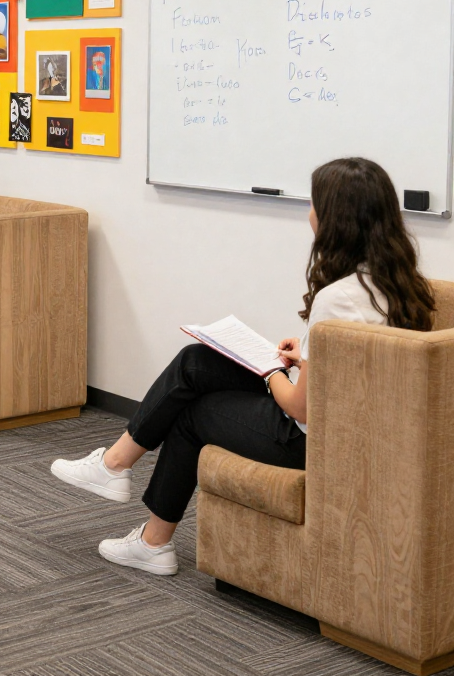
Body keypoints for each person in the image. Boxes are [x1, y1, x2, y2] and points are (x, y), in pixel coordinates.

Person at [50, 157, 435, 575]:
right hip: (359, 428)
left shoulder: (336, 299)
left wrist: (273, 375)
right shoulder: (402, 284)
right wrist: (304, 359)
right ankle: (115, 468)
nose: (309, 212)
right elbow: (361, 370)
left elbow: (303, 410)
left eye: (314, 203)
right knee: (197, 362)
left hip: (309, 439)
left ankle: (148, 533)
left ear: (336, 220)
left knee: (193, 413)